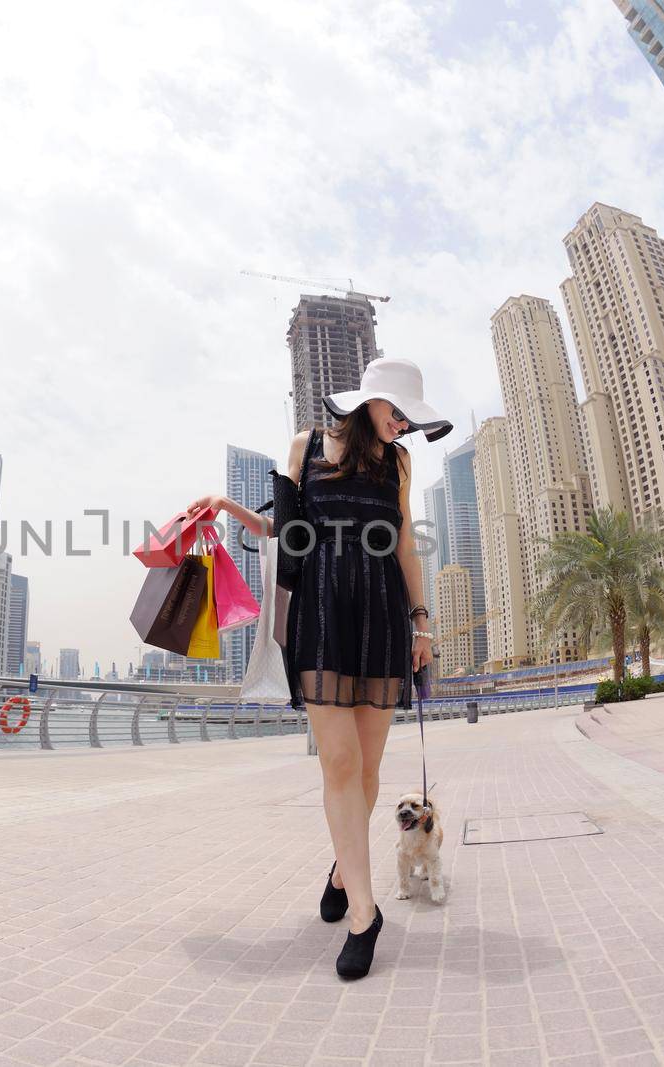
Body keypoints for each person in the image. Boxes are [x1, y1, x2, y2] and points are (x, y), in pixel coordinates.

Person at [185, 357, 453, 979]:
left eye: (410, 416)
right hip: (324, 614)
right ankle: (364, 911)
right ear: (369, 403)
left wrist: (422, 623)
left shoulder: (401, 463)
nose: (404, 424)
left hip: (383, 615)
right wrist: (227, 505)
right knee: (339, 764)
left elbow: (405, 541)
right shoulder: (306, 447)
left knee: (369, 771)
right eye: (397, 411)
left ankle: (340, 871)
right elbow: (284, 528)